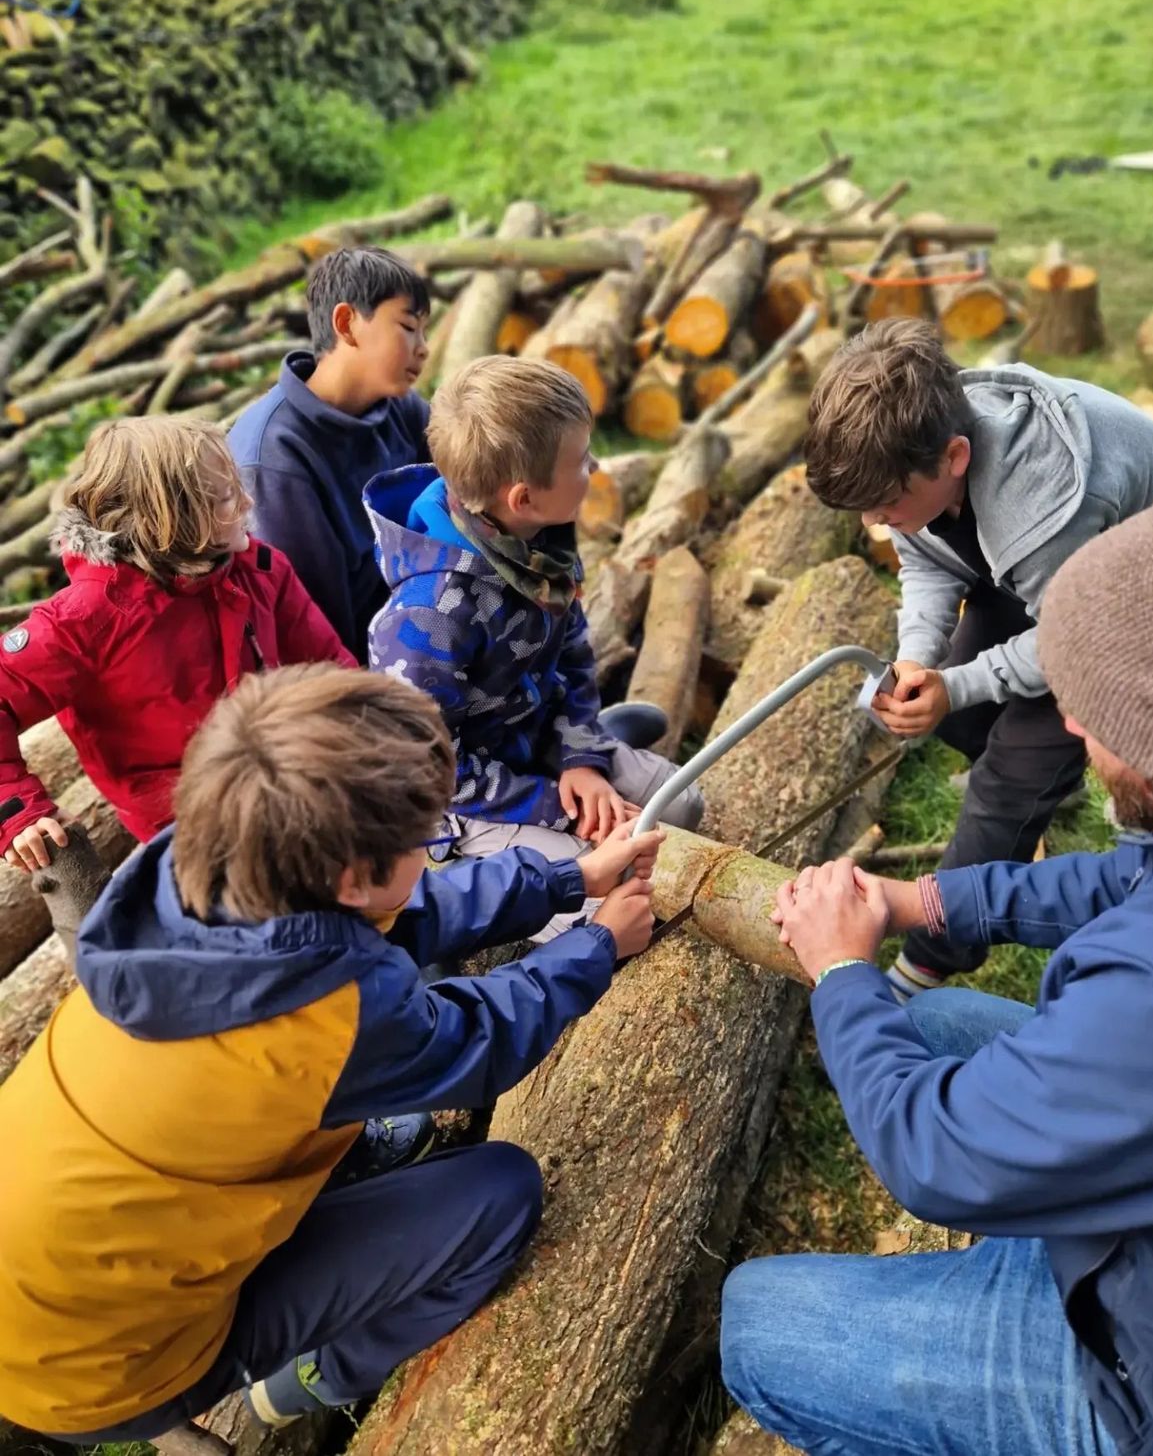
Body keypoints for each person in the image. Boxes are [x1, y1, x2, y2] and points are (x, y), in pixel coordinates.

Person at [0, 662, 664, 1445]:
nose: (430, 849)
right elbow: (480, 1038)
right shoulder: (326, 1023)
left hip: (53, 1277)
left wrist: (563, 880)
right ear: (352, 876)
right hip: (100, 1370)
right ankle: (319, 1373)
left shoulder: (203, 871)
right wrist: (594, 945)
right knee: (501, 1193)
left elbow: (385, 916)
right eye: (424, 838)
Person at [721, 494, 1153, 1456]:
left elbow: (935, 1157)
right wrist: (923, 906)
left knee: (759, 1322)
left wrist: (844, 973)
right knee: (943, 1031)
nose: (1067, 718)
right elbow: (1130, 877)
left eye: (1092, 709)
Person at [801, 318, 1153, 999]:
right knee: (957, 718)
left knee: (1003, 786)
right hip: (1047, 579)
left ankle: (930, 960)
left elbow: (1068, 638)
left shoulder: (1038, 496)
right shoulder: (918, 463)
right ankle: (1065, 775)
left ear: (955, 457)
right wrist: (921, 662)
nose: (876, 521)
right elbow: (925, 558)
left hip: (1148, 612)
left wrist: (958, 685)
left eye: (888, 504)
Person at [365, 355, 702, 933]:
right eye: (581, 460)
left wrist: (580, 759)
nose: (593, 466)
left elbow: (571, 649)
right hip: (459, 804)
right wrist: (556, 809)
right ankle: (459, 883)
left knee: (682, 804)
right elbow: (429, 770)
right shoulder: (428, 613)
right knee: (608, 892)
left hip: (533, 739)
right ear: (521, 497)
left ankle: (599, 746)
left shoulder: (539, 539)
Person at [0, 416, 352, 873]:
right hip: (185, 814)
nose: (248, 501)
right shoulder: (87, 617)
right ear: (167, 520)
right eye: (226, 497)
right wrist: (19, 811)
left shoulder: (258, 568)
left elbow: (331, 666)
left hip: (279, 765)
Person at [228, 247, 432, 660]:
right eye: (408, 327)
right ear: (347, 324)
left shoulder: (402, 409)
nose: (423, 348)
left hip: (419, 642)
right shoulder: (274, 457)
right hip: (339, 677)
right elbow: (312, 632)